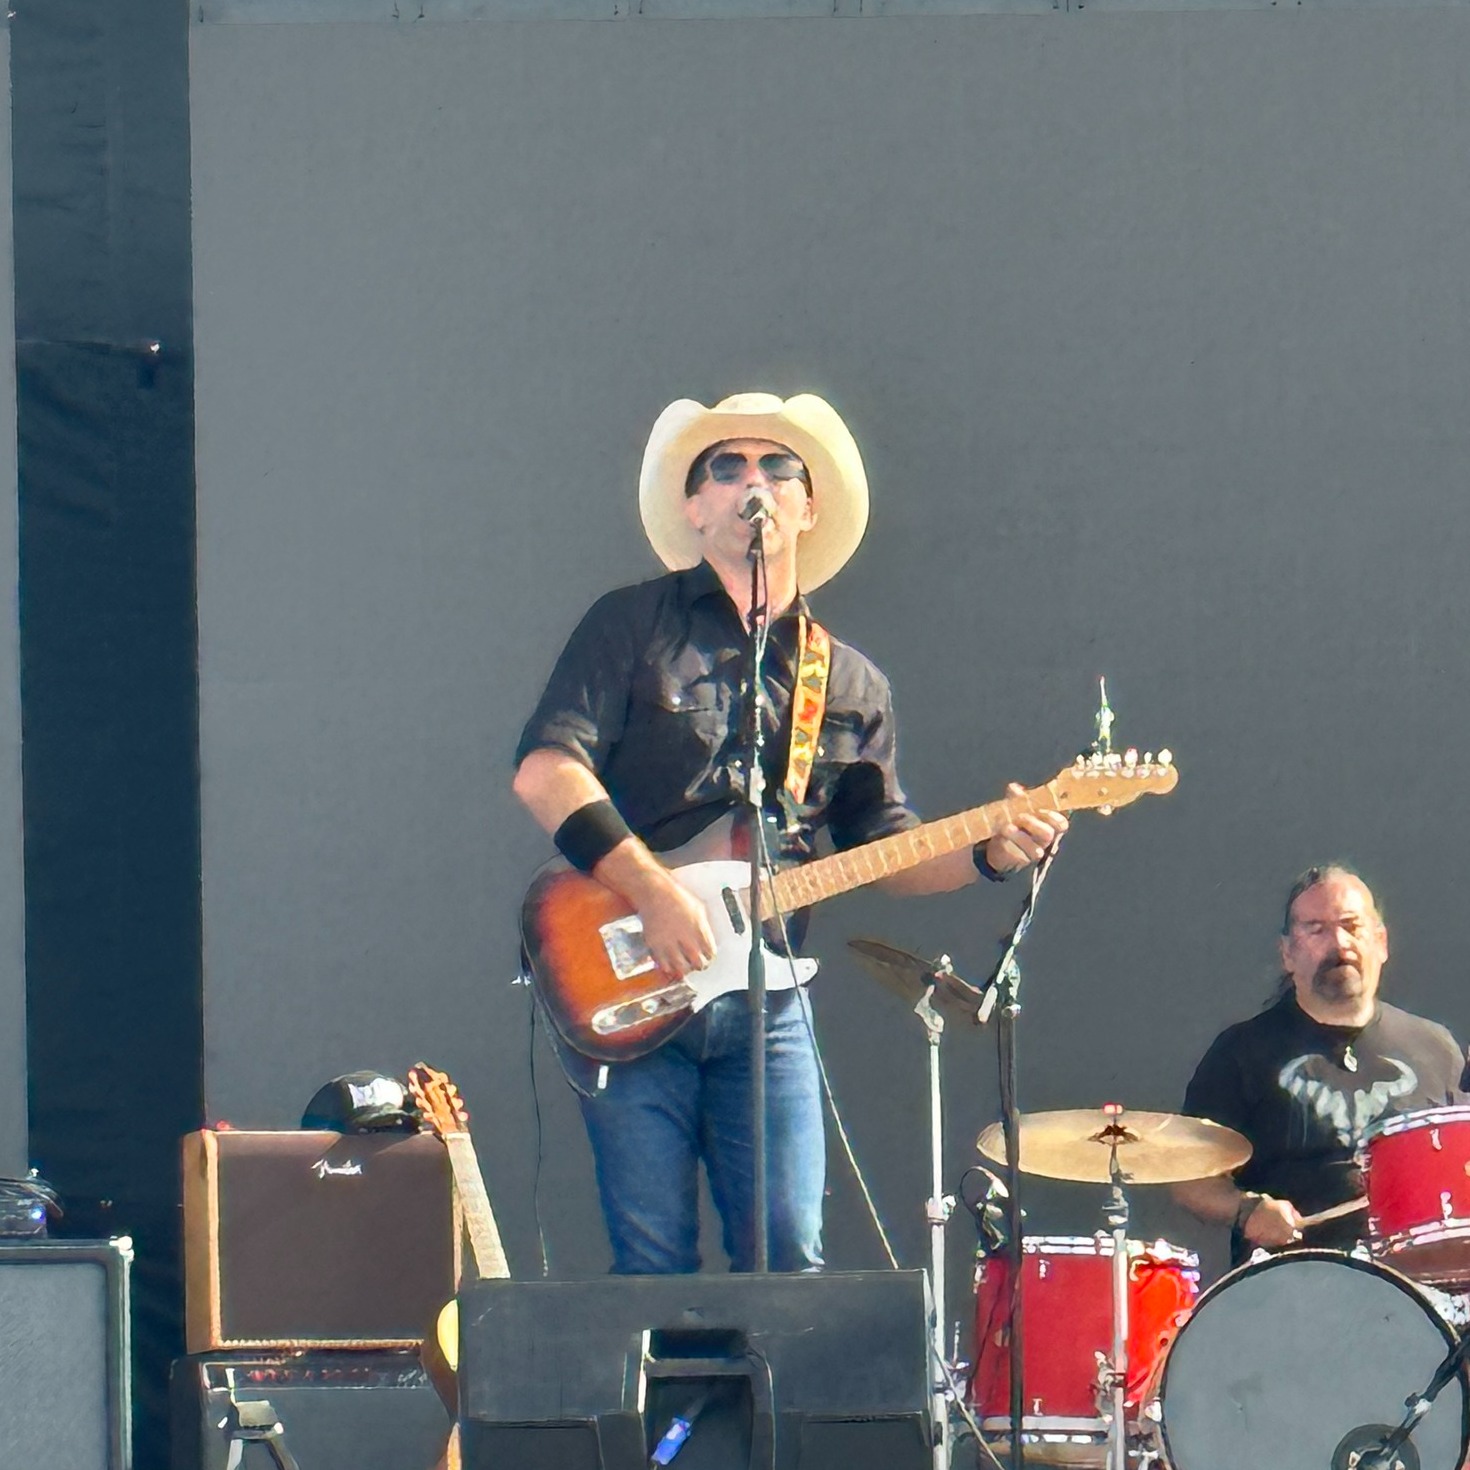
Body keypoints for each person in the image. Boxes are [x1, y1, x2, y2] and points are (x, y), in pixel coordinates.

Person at [512, 391, 1066, 1274]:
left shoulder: (847, 681)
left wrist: (989, 853)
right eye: (725, 469)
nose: (751, 483)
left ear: (809, 508)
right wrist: (653, 892)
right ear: (694, 509)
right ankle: (674, 1419)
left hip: (768, 997)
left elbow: (882, 848)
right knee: (651, 1257)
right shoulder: (631, 625)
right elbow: (546, 770)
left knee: (788, 1249)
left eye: (777, 468)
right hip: (627, 969)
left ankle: (763, 1416)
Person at [1173, 864, 1468, 1265]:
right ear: (1287, 954)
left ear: (1380, 942)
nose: (1340, 943)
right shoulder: (1241, 1052)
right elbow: (1190, 1177)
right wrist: (1247, 1210)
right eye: (1316, 929)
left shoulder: (1436, 1048)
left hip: (1416, 1284)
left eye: (1352, 926)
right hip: (1291, 1282)